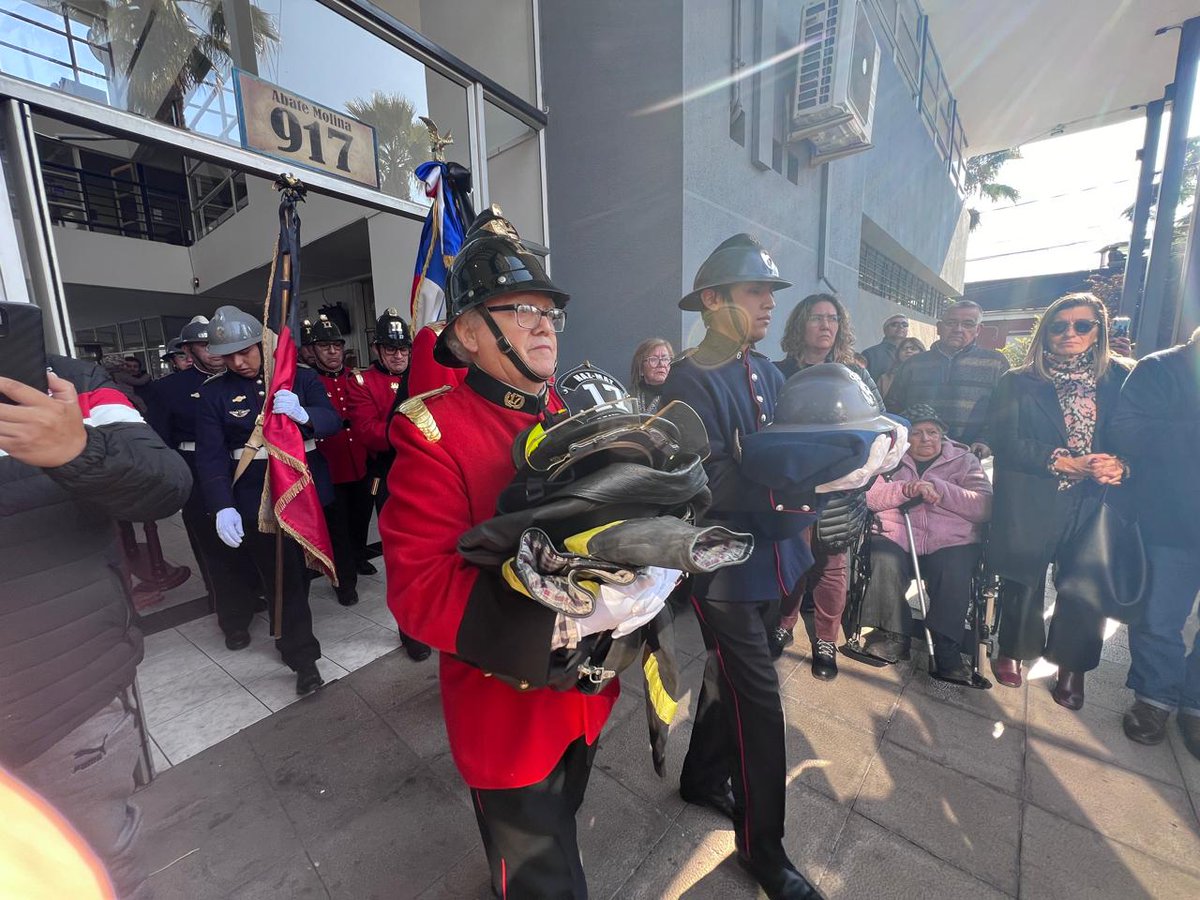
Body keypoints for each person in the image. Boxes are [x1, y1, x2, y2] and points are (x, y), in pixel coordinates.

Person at [381, 211, 673, 898]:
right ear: (469, 334)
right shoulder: (432, 430)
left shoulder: (568, 417)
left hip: (585, 694)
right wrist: (570, 618)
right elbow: (419, 590)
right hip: (506, 711)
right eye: (521, 310)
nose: (545, 325)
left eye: (549, 313)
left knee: (560, 820)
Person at [662, 233, 824, 900]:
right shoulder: (684, 378)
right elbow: (703, 483)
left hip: (779, 557)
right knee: (760, 706)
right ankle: (765, 849)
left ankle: (701, 775)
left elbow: (790, 455)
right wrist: (782, 483)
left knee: (728, 681)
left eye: (769, 293)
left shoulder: (774, 374)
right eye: (756, 291)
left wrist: (825, 482)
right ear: (712, 299)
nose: (767, 304)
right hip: (725, 569)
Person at [1, 350, 191, 900]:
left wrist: (77, 450)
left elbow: (164, 483)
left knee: (96, 876)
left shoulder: (64, 382)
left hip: (54, 706)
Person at [986, 293, 1131, 708]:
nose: (1070, 333)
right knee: (1023, 578)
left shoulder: (1120, 379)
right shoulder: (1018, 380)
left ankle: (1072, 667)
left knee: (1084, 585)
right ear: (1045, 332)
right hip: (1033, 490)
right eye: (1059, 325)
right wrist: (1063, 461)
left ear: (1098, 332)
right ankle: (1013, 648)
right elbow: (1005, 440)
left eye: (1082, 325)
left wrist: (1121, 464)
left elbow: (1141, 438)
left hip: (1095, 498)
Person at [195, 305, 340, 694]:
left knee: (299, 573)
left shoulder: (300, 379)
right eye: (229, 356)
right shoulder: (214, 394)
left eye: (245, 351)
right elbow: (211, 455)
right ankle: (302, 656)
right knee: (282, 575)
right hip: (255, 495)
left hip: (301, 487)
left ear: (262, 343)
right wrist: (221, 503)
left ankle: (288, 628)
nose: (238, 362)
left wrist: (303, 413)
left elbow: (331, 420)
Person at [771, 293, 881, 678]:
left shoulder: (856, 374)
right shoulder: (778, 371)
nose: (825, 325)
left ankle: (825, 641)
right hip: (793, 485)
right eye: (817, 317)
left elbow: (876, 424)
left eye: (832, 318)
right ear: (800, 324)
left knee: (832, 565)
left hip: (839, 487)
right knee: (792, 561)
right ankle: (783, 625)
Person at [1110, 327, 1200, 756]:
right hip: (1174, 520)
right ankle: (1155, 700)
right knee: (1160, 617)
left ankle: (1196, 706)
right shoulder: (1160, 368)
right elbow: (1125, 430)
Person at [145, 315, 259, 650]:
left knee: (250, 539)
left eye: (216, 344)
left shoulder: (245, 382)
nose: (212, 352)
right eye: (203, 345)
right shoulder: (168, 389)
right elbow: (160, 441)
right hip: (197, 473)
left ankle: (254, 594)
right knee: (215, 550)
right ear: (188, 350)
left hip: (243, 469)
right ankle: (233, 619)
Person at [856, 405, 992, 682]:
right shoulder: (891, 459)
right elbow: (872, 496)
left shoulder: (965, 461)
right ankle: (895, 636)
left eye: (933, 432)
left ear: (943, 436)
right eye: (917, 433)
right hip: (898, 533)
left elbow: (983, 507)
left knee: (954, 570)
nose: (926, 439)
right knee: (884, 558)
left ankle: (947, 648)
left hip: (950, 540)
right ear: (906, 436)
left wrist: (940, 489)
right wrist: (907, 489)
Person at [346, 308, 430, 662]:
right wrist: (414, 434)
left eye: (404, 349)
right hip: (392, 476)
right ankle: (410, 629)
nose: (398, 355)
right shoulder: (362, 383)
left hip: (430, 475)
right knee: (403, 558)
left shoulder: (424, 377)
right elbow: (369, 434)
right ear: (377, 350)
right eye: (390, 349)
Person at [305, 314, 373, 605]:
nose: (332, 351)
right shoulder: (309, 382)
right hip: (329, 465)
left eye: (336, 345)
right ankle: (344, 581)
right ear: (314, 351)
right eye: (324, 346)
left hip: (360, 459)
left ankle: (359, 557)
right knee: (338, 528)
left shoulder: (356, 378)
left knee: (361, 519)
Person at [885, 300, 1008, 456]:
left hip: (970, 453)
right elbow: (892, 406)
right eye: (951, 322)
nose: (958, 329)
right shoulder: (913, 364)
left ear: (978, 329)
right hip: (917, 454)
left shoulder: (996, 363)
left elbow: (1004, 412)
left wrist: (986, 440)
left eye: (968, 324)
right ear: (939, 328)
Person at [629, 337, 674, 412]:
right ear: (641, 367)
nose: (661, 364)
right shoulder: (629, 397)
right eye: (654, 359)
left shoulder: (678, 397)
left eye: (665, 359)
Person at [861, 312, 909, 380]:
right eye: (895, 324)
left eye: (904, 324)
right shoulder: (869, 354)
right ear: (885, 330)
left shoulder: (914, 354)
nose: (901, 327)